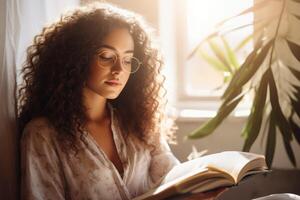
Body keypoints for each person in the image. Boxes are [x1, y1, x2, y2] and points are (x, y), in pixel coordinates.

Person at [18, 3, 225, 200]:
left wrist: (197, 191)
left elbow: (173, 180)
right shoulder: (43, 135)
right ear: (76, 58)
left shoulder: (139, 123)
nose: (119, 70)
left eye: (127, 60)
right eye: (106, 56)